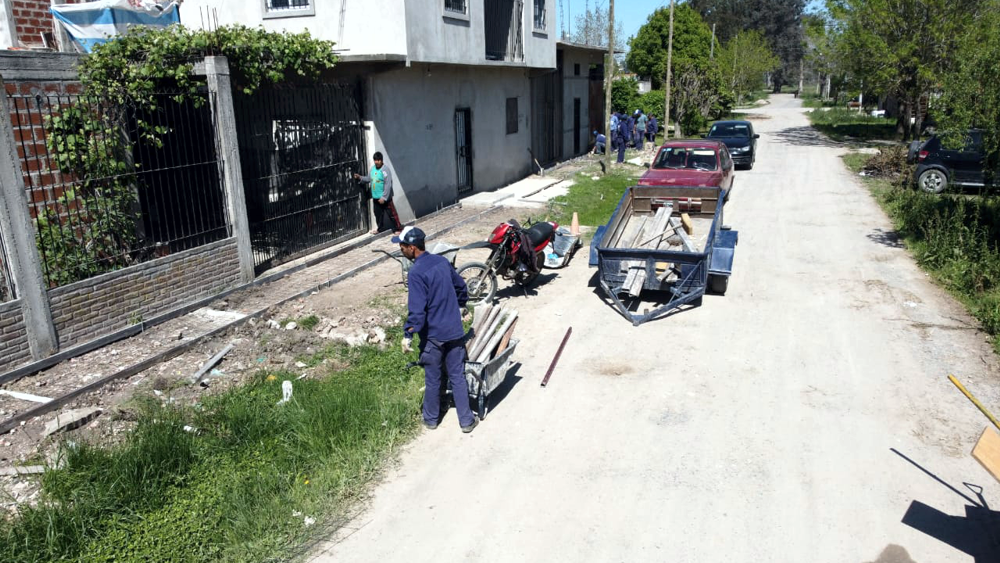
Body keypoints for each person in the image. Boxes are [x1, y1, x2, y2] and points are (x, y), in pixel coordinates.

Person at [396, 226, 478, 434]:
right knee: (457, 375)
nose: (401, 250)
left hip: (433, 336)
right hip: (454, 331)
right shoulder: (442, 262)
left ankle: (431, 420)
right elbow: (461, 287)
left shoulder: (416, 273)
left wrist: (408, 334)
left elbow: (417, 310)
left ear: (412, 247)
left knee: (433, 379)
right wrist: (461, 305)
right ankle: (467, 421)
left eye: (402, 246)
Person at [354, 151, 402, 235]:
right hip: (376, 197)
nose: (376, 162)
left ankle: (398, 228)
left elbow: (388, 185)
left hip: (385, 198)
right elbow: (368, 179)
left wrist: (384, 197)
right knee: (378, 214)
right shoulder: (373, 169)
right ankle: (380, 229)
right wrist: (360, 177)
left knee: (392, 214)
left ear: (381, 160)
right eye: (375, 160)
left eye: (378, 160)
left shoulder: (385, 170)